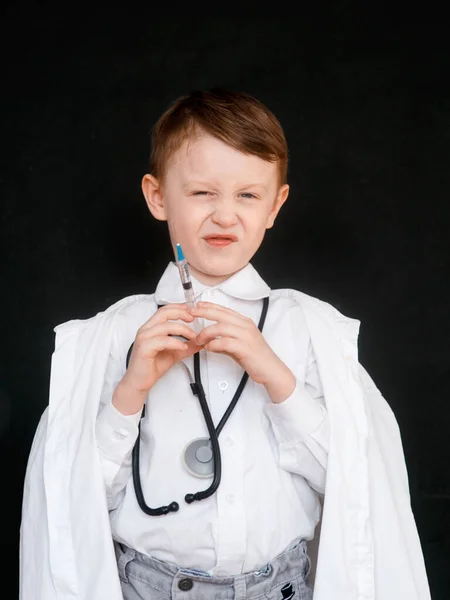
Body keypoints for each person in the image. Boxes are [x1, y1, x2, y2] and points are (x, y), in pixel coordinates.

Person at [20, 89, 431, 600]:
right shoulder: (115, 332)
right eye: (201, 193)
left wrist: (276, 377)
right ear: (157, 197)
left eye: (247, 195)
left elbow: (358, 488)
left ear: (275, 205)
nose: (224, 215)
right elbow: (71, 502)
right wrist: (132, 390)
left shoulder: (307, 327)